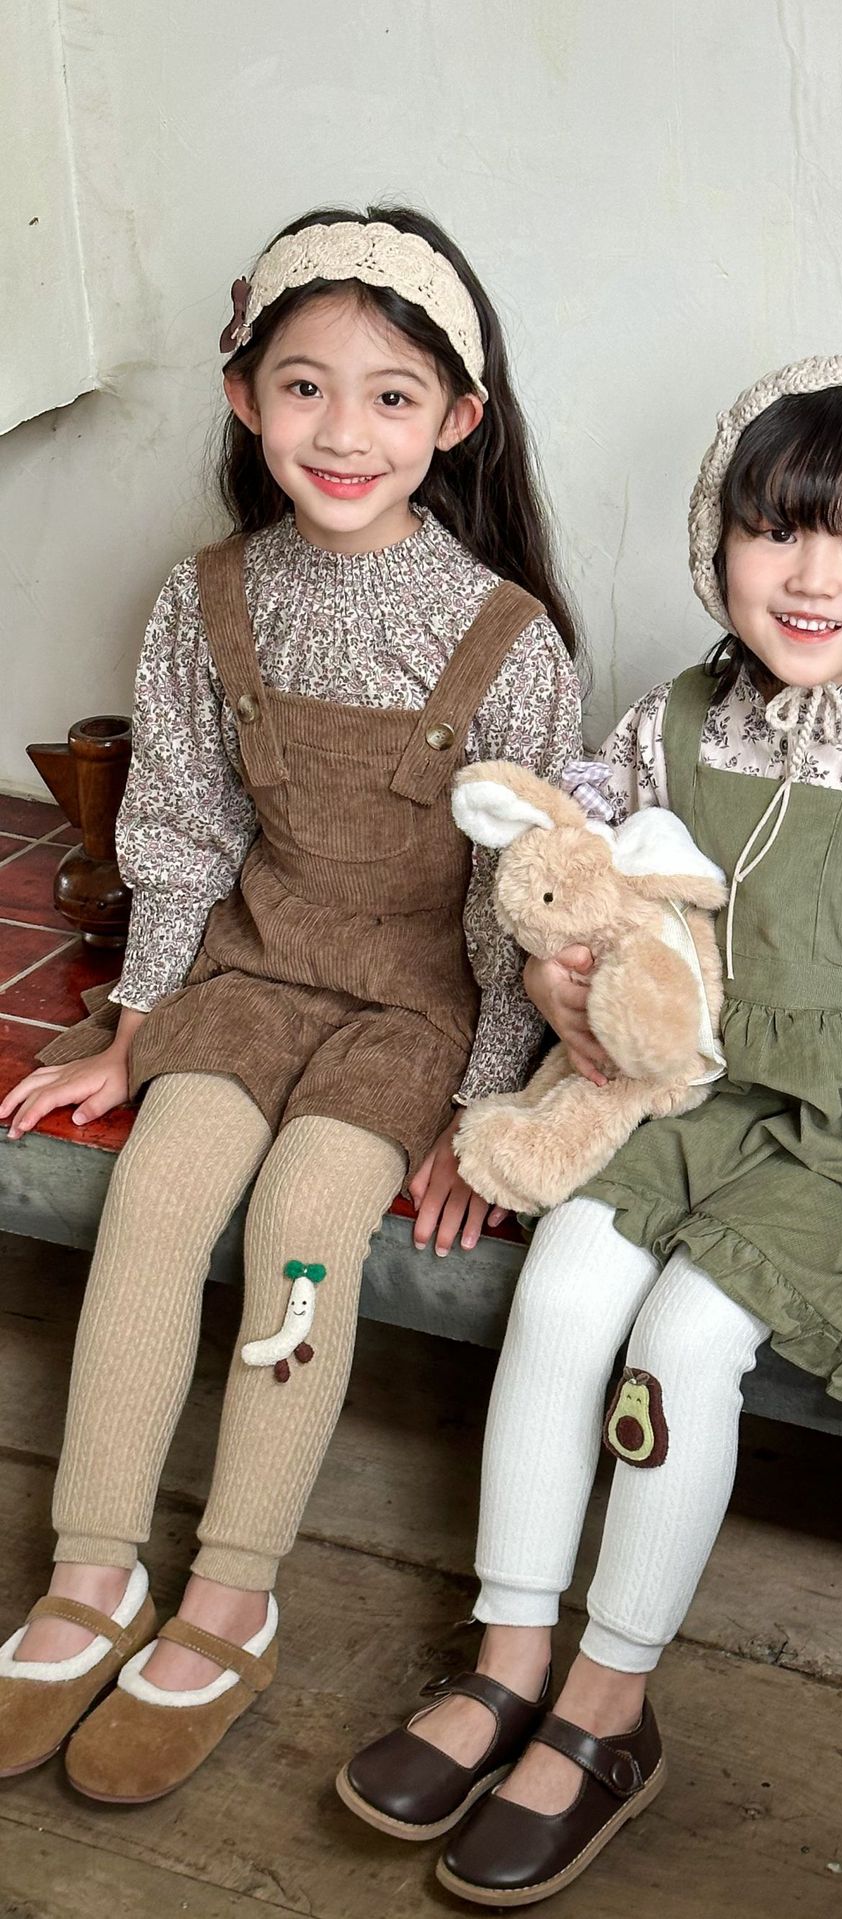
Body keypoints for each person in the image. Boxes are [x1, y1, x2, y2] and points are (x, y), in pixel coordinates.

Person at [340, 355, 842, 1907]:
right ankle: (510, 1655)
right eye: (776, 529)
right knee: (561, 1294)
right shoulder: (669, 725)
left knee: (677, 1344)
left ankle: (609, 1703)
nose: (813, 577)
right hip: (672, 1095)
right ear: (715, 539)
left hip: (838, 1136)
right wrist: (552, 987)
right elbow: (563, 886)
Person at [0, 205, 583, 1801]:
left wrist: (487, 1108)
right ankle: (92, 1568)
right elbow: (182, 830)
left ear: (457, 420)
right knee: (160, 1188)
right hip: (251, 972)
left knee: (306, 1221)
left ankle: (233, 1593)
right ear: (243, 395)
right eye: (304, 386)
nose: (342, 431)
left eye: (392, 396)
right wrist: (140, 1018)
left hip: (412, 1014)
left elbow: (517, 905)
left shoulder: (508, 640)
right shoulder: (208, 599)